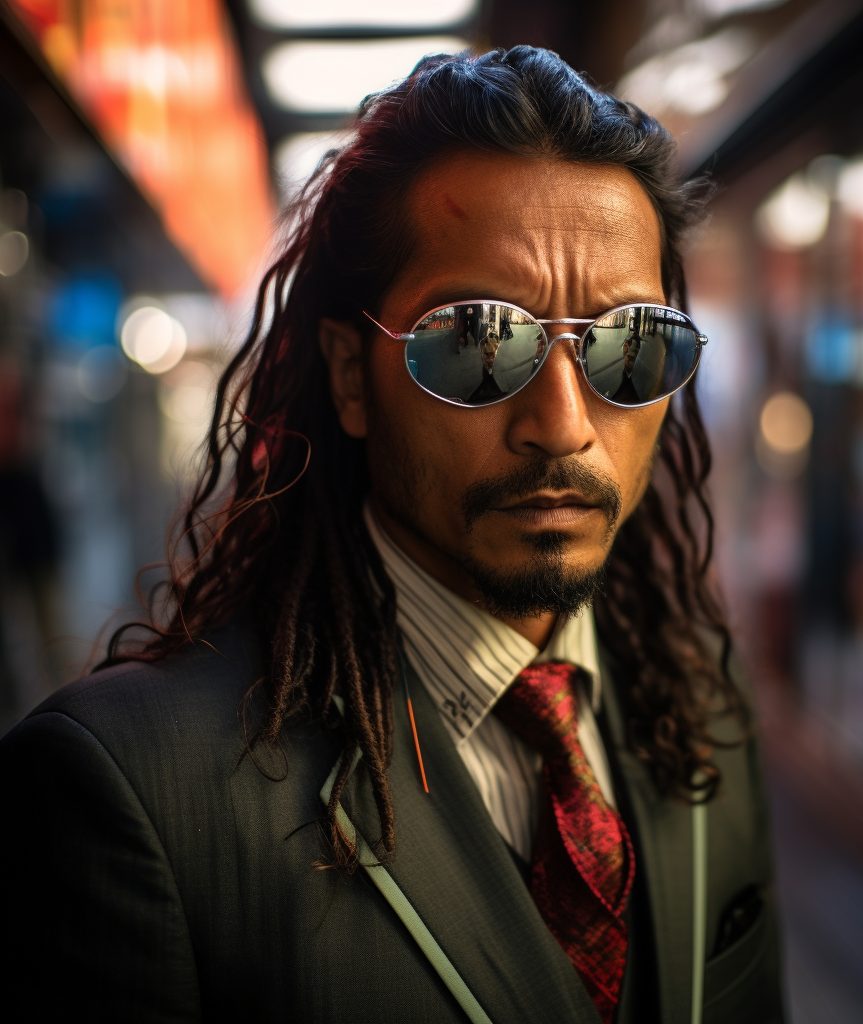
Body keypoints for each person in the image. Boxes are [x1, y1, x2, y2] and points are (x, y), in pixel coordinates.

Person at [0, 47, 784, 1024]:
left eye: (632, 344)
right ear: (346, 374)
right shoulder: (135, 793)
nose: (565, 424)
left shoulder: (699, 695)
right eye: (477, 339)